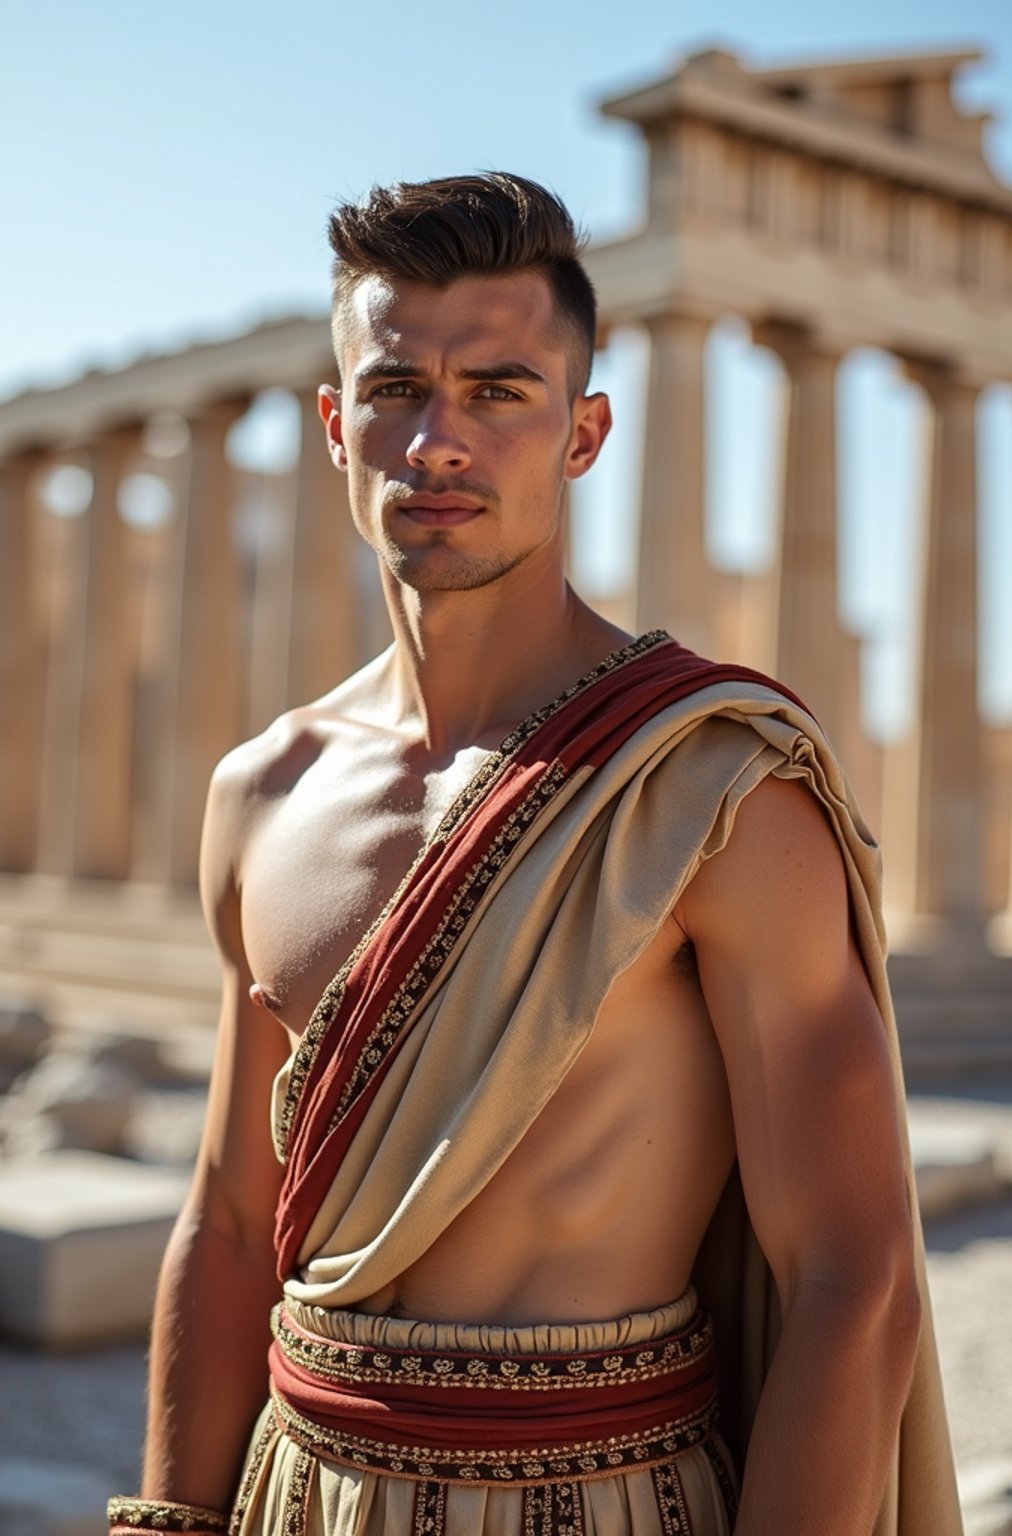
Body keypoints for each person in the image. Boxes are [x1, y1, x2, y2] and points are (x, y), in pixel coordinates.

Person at [109, 174, 962, 1536]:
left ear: (582, 433)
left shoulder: (709, 784)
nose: (438, 440)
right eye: (396, 390)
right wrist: (166, 1518)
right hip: (303, 1491)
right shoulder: (263, 789)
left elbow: (854, 1271)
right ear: (338, 426)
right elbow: (223, 1224)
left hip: (605, 1496)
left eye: (500, 392)